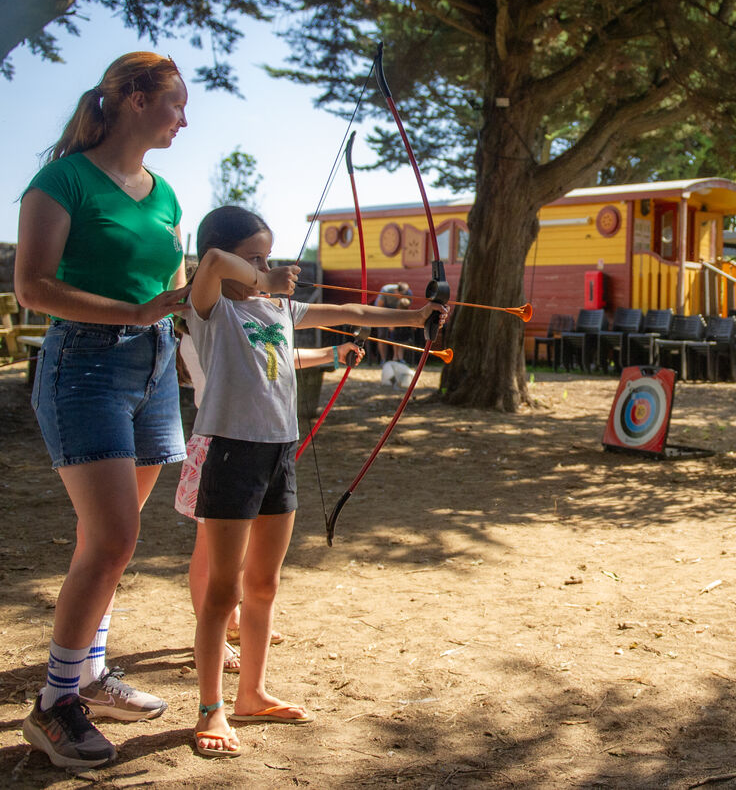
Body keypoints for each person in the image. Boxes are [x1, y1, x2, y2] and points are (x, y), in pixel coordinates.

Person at [184, 205, 445, 758]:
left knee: (264, 585)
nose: (265, 267)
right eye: (252, 258)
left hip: (278, 454)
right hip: (232, 453)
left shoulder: (280, 308)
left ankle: (251, 693)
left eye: (268, 256)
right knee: (222, 590)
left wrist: (415, 316)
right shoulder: (209, 310)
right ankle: (212, 707)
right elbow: (210, 261)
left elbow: (350, 309)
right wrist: (261, 278)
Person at [15, 52, 190, 770]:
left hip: (153, 370)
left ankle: (87, 673)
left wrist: (237, 291)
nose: (185, 118)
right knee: (113, 539)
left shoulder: (167, 193)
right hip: (83, 367)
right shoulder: (62, 179)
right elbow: (32, 286)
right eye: (177, 103)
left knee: (113, 539)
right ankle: (54, 704)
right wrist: (139, 309)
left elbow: (178, 290)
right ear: (137, 99)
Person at [174, 329, 365, 673]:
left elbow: (274, 358)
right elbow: (266, 360)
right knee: (210, 552)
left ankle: (232, 621)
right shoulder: (210, 327)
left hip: (250, 443)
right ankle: (210, 637)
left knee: (242, 545)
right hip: (221, 445)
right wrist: (329, 353)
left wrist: (331, 354)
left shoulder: (237, 323)